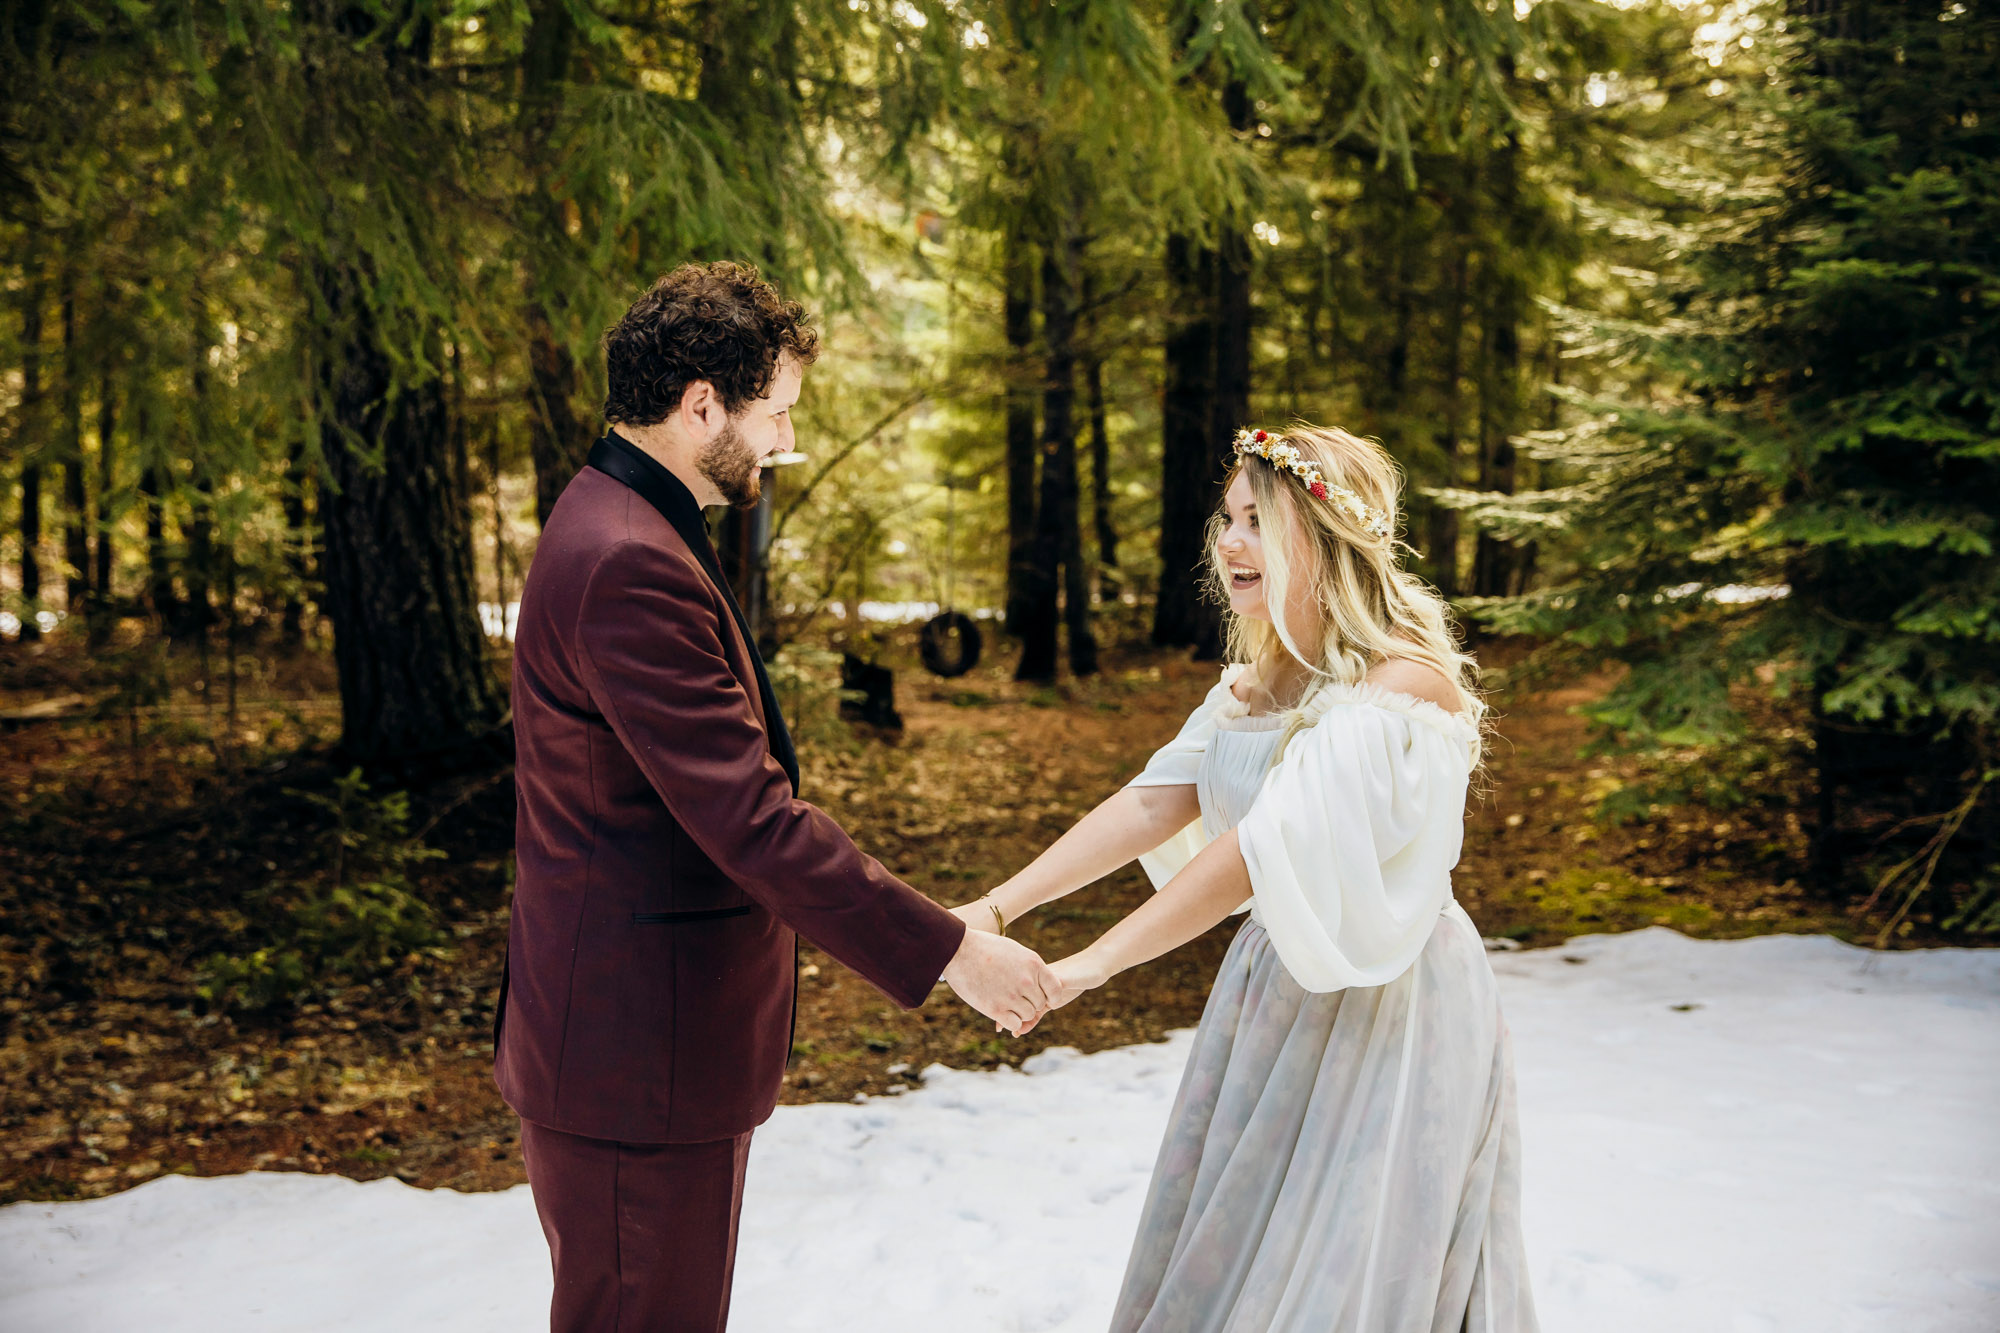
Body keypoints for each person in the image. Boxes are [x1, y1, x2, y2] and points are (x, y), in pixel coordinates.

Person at [493, 261, 1056, 1333]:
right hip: (634, 1059)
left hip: (649, 1048)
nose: (785, 442)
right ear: (701, 401)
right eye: (776, 414)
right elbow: (748, 820)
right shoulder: (624, 558)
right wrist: (951, 949)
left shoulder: (625, 518)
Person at [978, 425, 1539, 1330]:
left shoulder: (1400, 684)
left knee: (1340, 1260)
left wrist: (1089, 965)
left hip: (1394, 1000)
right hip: (1277, 987)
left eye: (1257, 520)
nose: (1230, 542)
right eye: (1227, 517)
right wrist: (996, 907)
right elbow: (1151, 803)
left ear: (1319, 538)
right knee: (1240, 1241)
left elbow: (1258, 848)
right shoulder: (1255, 681)